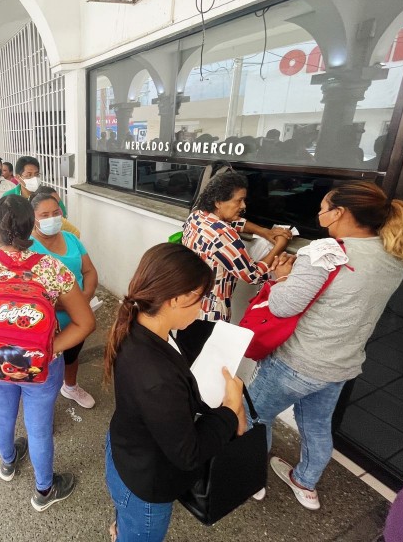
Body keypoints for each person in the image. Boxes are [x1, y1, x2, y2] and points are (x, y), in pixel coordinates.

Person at [247, 181, 403, 511]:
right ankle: (305, 483)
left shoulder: (323, 252)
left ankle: (250, 478)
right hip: (341, 366)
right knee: (316, 426)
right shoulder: (394, 255)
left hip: (296, 363)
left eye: (324, 206)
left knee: (254, 417)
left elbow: (283, 306)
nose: (319, 212)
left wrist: (280, 277)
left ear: (340, 213)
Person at [0, 195, 95, 511]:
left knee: (1, 413)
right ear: (31, 226)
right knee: (39, 428)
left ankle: (9, 463)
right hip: (41, 365)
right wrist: (48, 347)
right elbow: (85, 323)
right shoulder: (52, 269)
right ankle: (44, 490)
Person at [104, 243, 245, 541]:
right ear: (176, 299)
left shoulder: (137, 322)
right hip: (146, 482)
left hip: (126, 452)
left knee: (126, 518)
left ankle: (121, 530)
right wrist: (230, 410)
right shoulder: (155, 375)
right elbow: (188, 453)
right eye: (200, 298)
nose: (203, 307)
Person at [181, 172, 292, 343]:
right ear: (218, 202)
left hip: (187, 305)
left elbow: (236, 222)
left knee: (186, 357)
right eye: (238, 200)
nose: (243, 206)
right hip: (209, 315)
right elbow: (253, 275)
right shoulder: (222, 235)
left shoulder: (197, 216)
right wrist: (279, 246)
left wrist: (265, 231)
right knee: (204, 363)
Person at [29, 192, 97, 409]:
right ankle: (40, 407)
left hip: (78, 317)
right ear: (33, 218)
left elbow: (89, 271)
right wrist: (72, 305)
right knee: (43, 363)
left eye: (56, 213)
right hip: (46, 320)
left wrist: (83, 299)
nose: (52, 218)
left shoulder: (72, 239)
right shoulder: (27, 247)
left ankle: (70, 386)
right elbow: (29, 290)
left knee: (72, 355)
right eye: (45, 215)